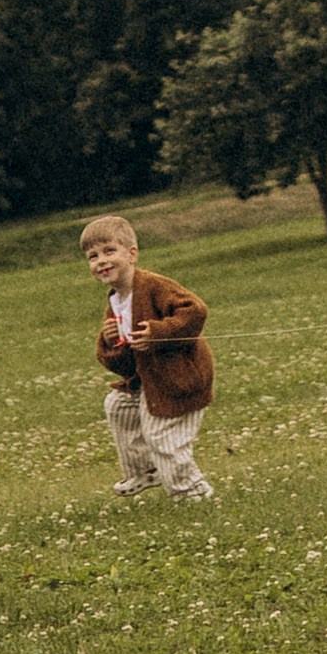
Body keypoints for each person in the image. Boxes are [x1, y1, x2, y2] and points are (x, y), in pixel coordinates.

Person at [81, 214, 216, 500]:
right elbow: (124, 364)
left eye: (109, 251)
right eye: (93, 256)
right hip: (148, 379)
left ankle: (192, 492)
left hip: (179, 377)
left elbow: (195, 310)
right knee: (118, 405)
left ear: (132, 254)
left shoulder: (154, 286)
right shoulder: (115, 301)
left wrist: (158, 332)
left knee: (161, 435)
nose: (101, 261)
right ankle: (146, 469)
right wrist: (111, 344)